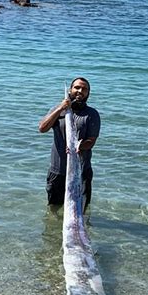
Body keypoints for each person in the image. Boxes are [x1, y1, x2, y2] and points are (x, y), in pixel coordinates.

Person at [38, 77, 100, 210]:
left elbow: (91, 141)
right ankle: (53, 230)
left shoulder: (92, 114)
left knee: (81, 210)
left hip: (81, 172)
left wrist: (77, 147)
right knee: (53, 209)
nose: (80, 91)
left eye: (84, 89)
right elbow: (42, 128)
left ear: (88, 93)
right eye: (77, 87)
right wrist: (61, 108)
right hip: (58, 170)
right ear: (71, 90)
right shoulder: (58, 110)